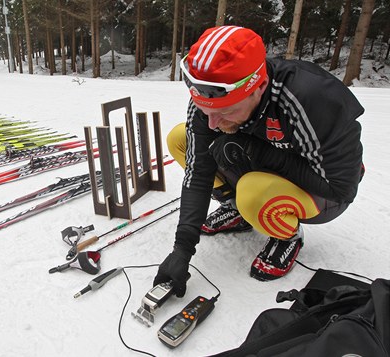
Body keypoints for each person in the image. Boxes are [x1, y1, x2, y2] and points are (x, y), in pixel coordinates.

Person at [154, 25, 364, 296]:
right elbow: (198, 170)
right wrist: (182, 248)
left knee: (252, 191)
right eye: (207, 112)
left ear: (259, 87)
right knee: (180, 138)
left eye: (225, 112)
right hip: (263, 163)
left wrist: (258, 151)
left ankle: (287, 235)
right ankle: (237, 210)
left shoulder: (312, 98)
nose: (213, 122)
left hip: (324, 185)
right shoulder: (211, 96)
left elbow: (341, 188)